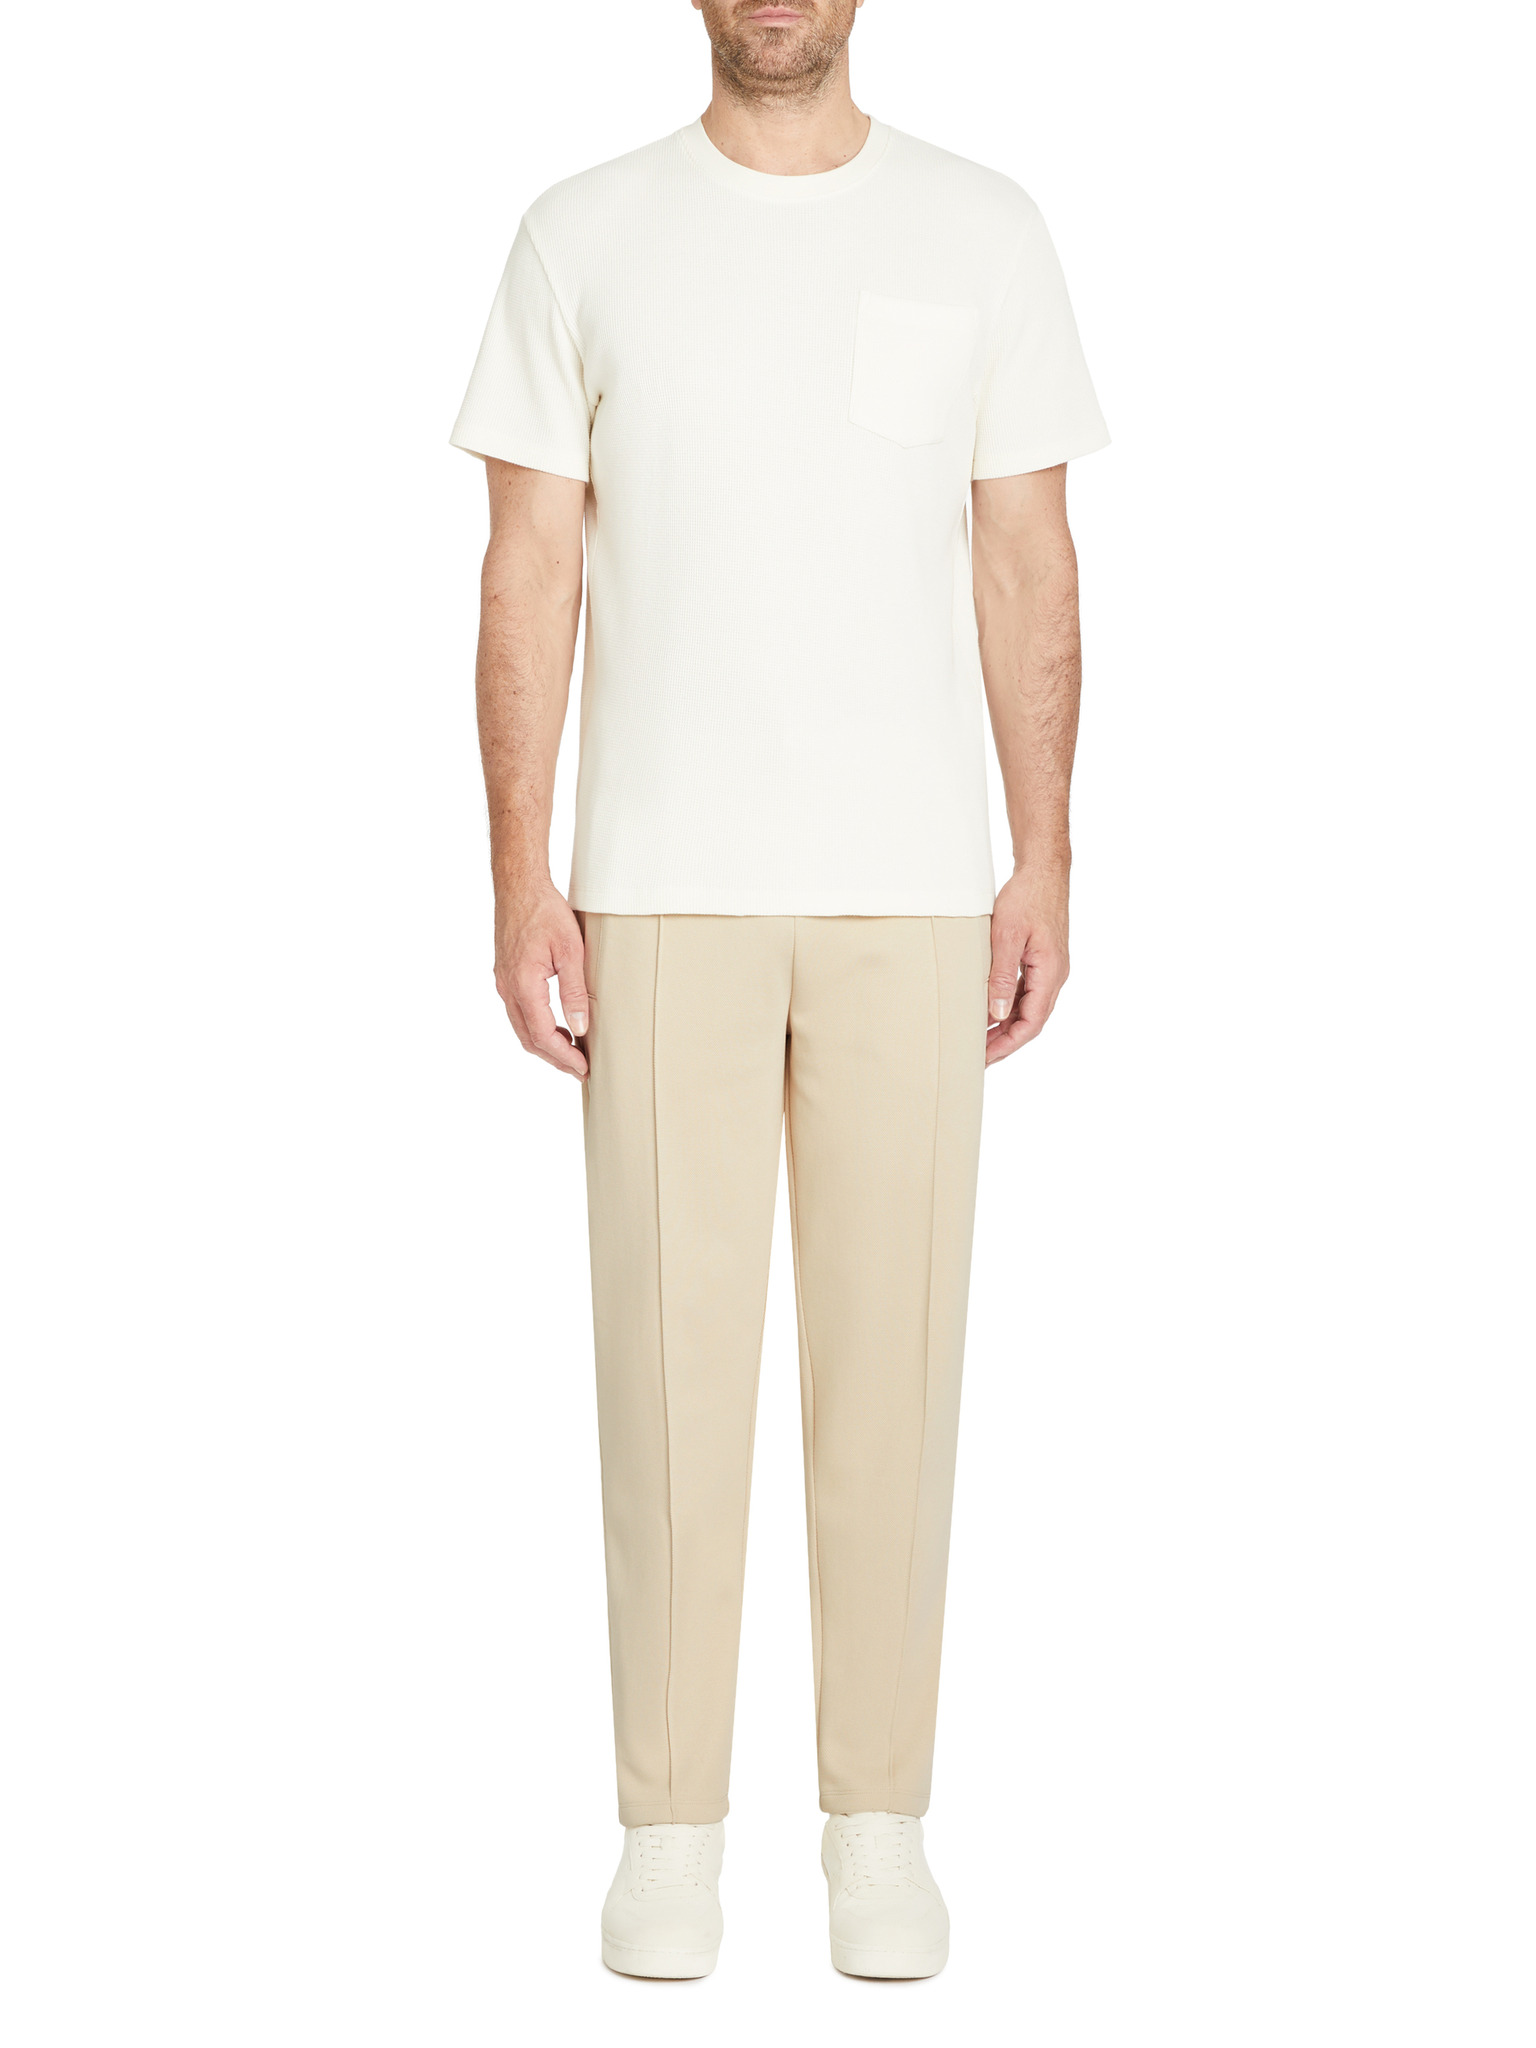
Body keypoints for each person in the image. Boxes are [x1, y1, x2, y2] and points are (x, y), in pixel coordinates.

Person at [451, 0, 1107, 1982]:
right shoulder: (582, 233)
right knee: (665, 1367)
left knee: (893, 1367)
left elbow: (1029, 560)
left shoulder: (983, 229)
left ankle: (878, 1821)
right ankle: (667, 1830)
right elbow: (525, 568)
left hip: (910, 889)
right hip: (660, 884)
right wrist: (520, 874)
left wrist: (1044, 852)